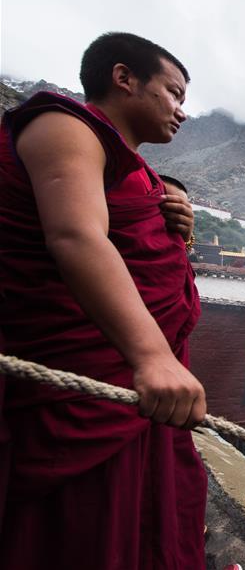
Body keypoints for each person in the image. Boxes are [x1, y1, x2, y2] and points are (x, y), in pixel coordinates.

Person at [0, 33, 206, 568]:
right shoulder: (63, 126)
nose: (182, 111)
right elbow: (75, 237)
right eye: (174, 93)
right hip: (89, 385)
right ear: (124, 78)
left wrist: (179, 232)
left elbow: (142, 257)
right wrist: (152, 357)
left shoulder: (142, 175)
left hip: (131, 400)